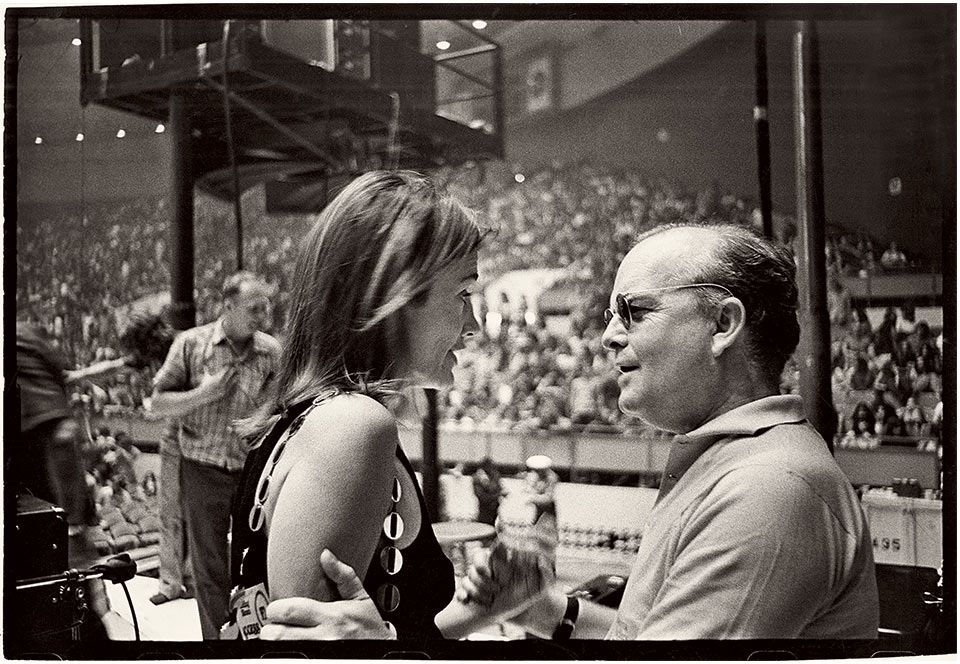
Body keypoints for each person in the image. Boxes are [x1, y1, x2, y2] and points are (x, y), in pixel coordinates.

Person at [264, 223, 880, 641]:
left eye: (634, 312)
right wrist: (544, 611)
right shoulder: (736, 465)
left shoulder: (768, 490)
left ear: (723, 324)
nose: (608, 336)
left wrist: (386, 656)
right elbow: (643, 638)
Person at [226, 170, 502, 641]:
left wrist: (488, 610)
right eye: (463, 293)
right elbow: (300, 651)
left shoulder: (313, 416)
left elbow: (375, 629)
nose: (473, 323)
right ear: (393, 294)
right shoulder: (354, 425)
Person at [149, 271, 280, 639]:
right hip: (202, 468)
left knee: (255, 563)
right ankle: (217, 647)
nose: (262, 316)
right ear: (228, 306)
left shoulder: (272, 352)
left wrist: (262, 418)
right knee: (208, 568)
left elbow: (280, 406)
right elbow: (157, 403)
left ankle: (251, 640)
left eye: (265, 308)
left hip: (251, 472)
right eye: (254, 308)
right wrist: (204, 394)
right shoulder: (191, 345)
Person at [150, 419, 195, 605]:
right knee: (168, 517)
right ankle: (169, 585)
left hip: (204, 444)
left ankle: (192, 580)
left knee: (197, 518)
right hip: (174, 438)